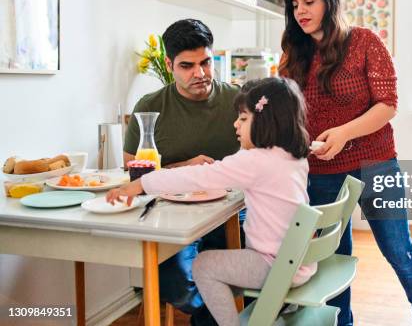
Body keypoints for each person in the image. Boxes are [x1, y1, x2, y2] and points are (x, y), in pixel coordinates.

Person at [279, 0, 412, 326]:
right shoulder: (292, 53)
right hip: (318, 172)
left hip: (375, 163)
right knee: (331, 258)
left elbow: (388, 104)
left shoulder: (365, 42)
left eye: (309, 1)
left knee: (398, 250)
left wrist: (344, 133)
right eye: (295, 4)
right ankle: (342, 322)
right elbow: (288, 111)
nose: (301, 10)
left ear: (328, 1)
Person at [109, 78, 314, 326]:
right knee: (219, 264)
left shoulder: (254, 162)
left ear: (265, 122)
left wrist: (142, 183)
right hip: (300, 259)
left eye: (243, 119)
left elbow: (196, 177)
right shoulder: (293, 154)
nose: (235, 124)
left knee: (204, 266)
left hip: (275, 265)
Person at [123, 18, 240, 325]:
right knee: (172, 281)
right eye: (187, 66)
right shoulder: (150, 107)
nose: (200, 74)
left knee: (264, 270)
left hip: (233, 212)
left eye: (206, 62)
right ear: (169, 64)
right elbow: (132, 169)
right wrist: (184, 168)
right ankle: (212, 312)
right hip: (175, 216)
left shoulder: (237, 101)